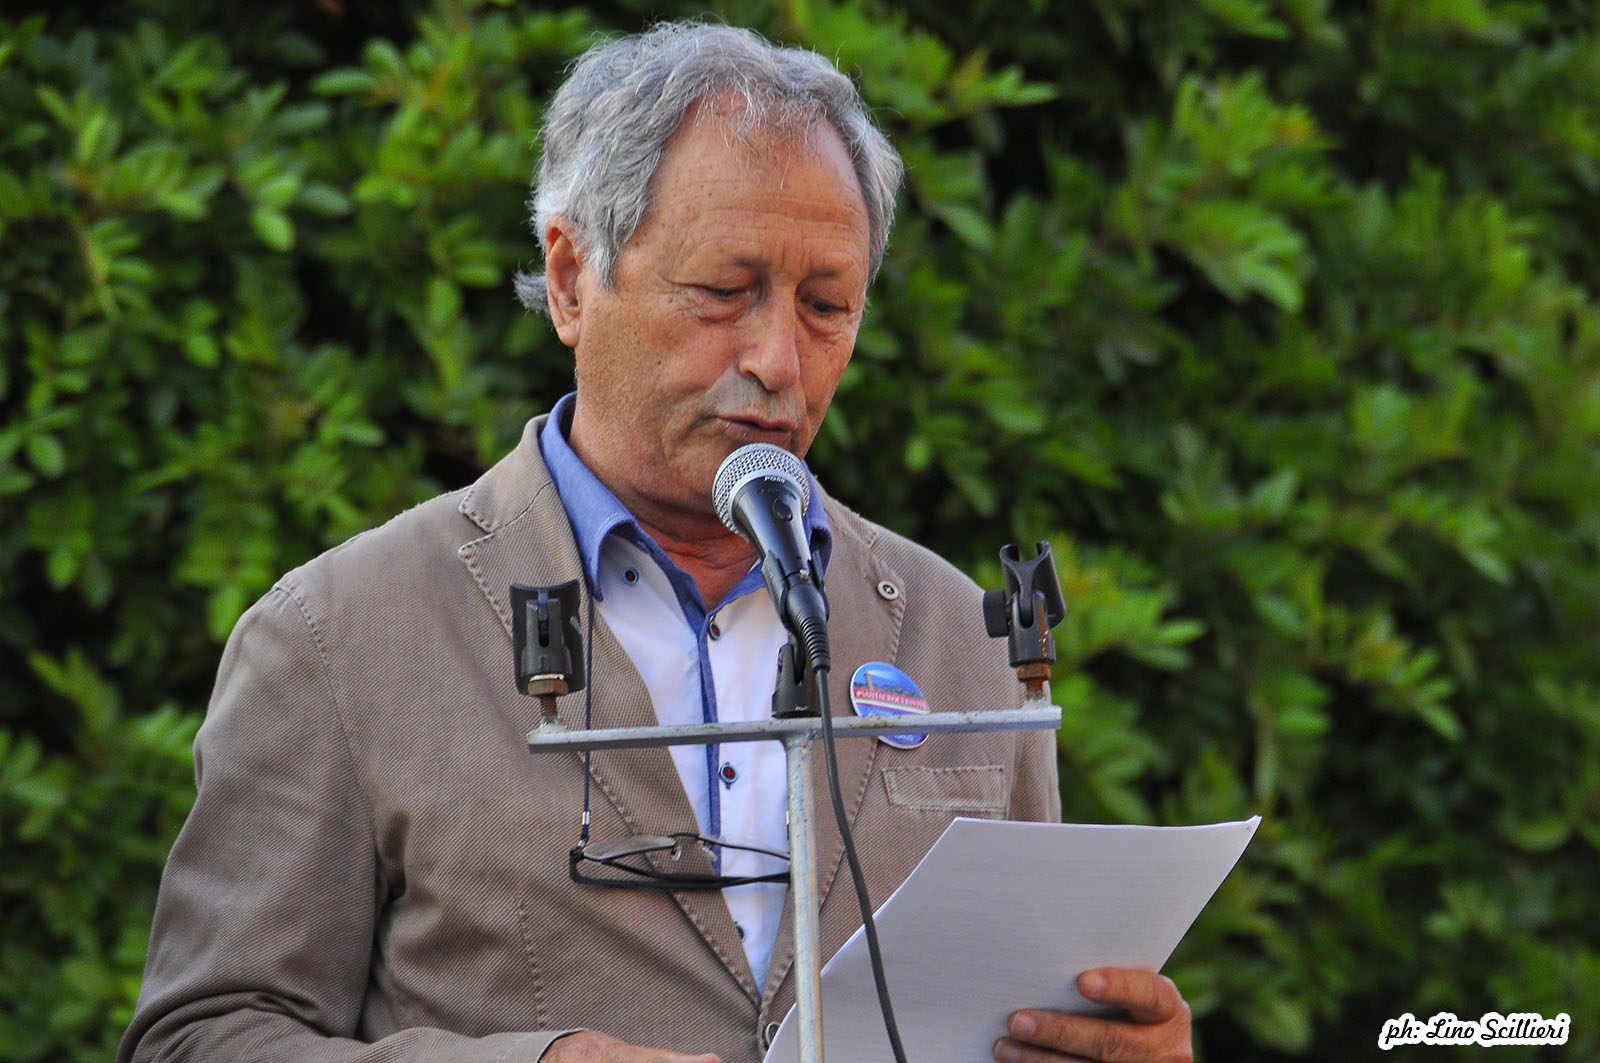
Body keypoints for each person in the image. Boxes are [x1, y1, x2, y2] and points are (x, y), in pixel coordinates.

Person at [120, 21, 1193, 1063]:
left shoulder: (960, 630)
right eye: (724, 292)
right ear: (572, 277)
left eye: (828, 306)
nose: (778, 357)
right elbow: (198, 1035)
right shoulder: (337, 637)